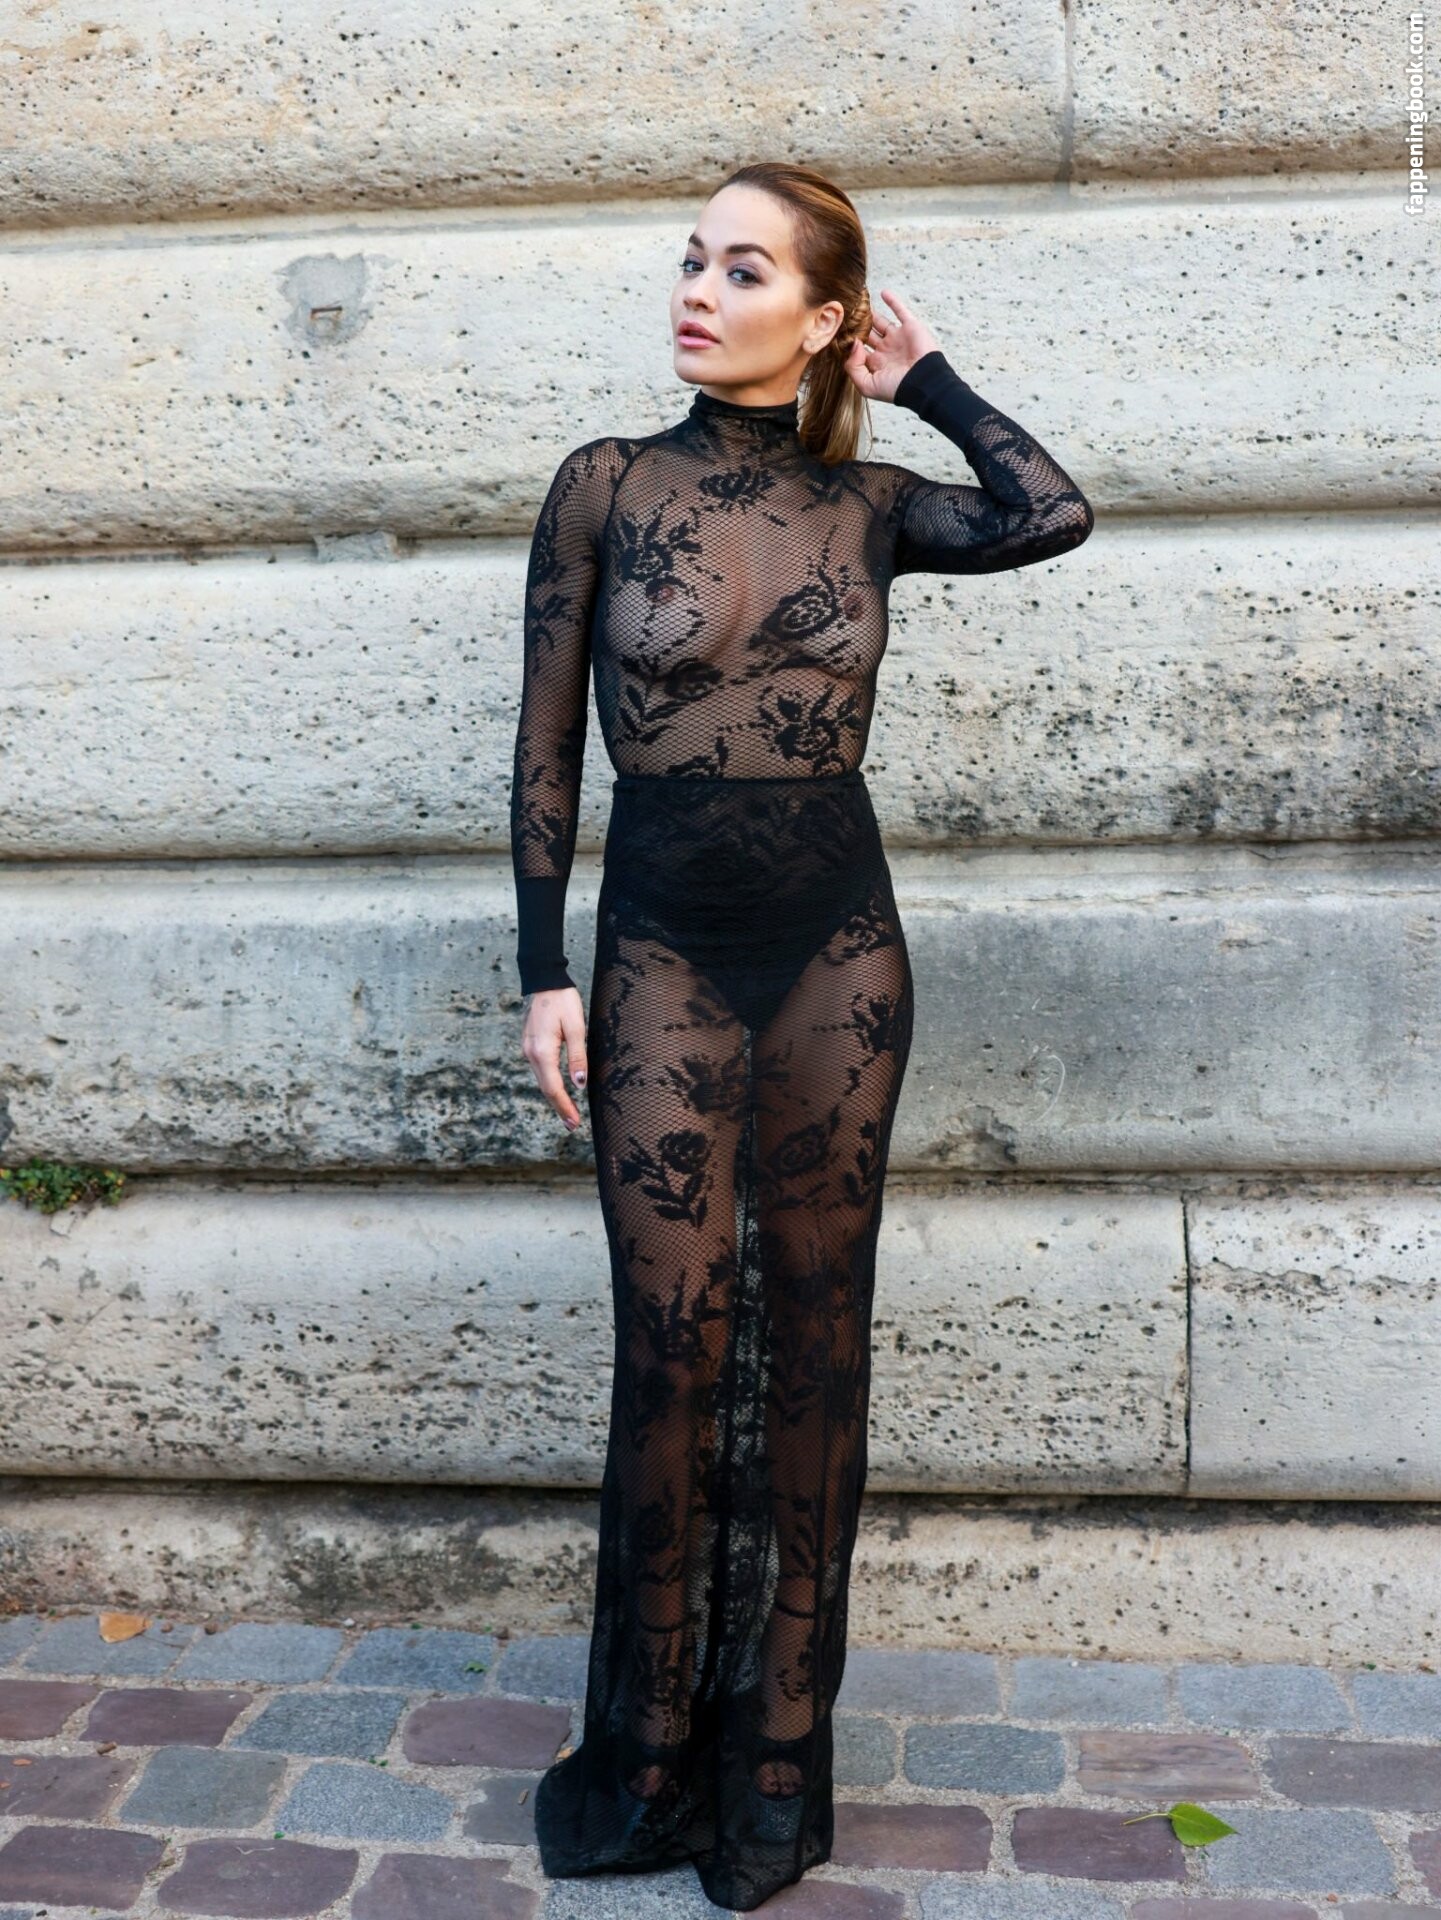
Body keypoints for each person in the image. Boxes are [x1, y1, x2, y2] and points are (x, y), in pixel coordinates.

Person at [509, 158, 1093, 1912]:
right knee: (672, 1344)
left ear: (823, 315)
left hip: (838, 950)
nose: (698, 289)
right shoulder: (607, 484)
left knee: (820, 1342)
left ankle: (776, 1757)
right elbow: (546, 744)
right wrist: (542, 969)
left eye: (745, 268)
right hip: (660, 949)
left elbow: (1051, 512)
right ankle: (648, 1754)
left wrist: (929, 383)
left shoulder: (871, 501)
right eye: (692, 259)